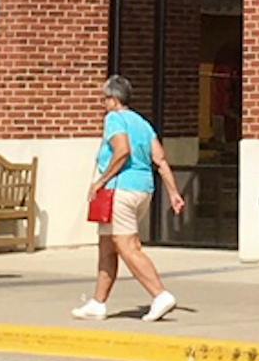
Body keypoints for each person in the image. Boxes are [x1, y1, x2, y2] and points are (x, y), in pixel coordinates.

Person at [73, 75, 185, 323]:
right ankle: (98, 302)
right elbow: (160, 159)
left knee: (127, 246)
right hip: (143, 189)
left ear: (113, 100)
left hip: (120, 189)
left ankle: (160, 294)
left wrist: (100, 182)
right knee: (107, 246)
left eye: (105, 98)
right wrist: (174, 192)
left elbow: (123, 151)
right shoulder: (143, 123)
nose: (103, 103)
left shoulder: (114, 119)